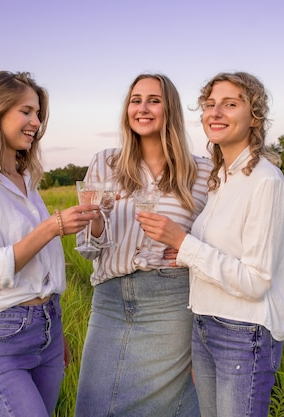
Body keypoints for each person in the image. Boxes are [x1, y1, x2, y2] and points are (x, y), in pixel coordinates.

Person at [0, 71, 101, 417]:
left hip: (48, 328)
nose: (36, 122)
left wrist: (54, 333)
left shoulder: (25, 181)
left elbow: (41, 270)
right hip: (4, 336)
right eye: (26, 111)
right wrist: (53, 227)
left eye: (38, 114)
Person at [137, 72, 284, 417]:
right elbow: (222, 253)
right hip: (206, 324)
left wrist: (184, 242)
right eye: (210, 105)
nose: (216, 113)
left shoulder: (265, 181)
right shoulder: (220, 178)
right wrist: (184, 254)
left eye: (230, 104)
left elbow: (255, 281)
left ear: (254, 117)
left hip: (243, 332)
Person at [73, 73, 212, 417]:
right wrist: (94, 219)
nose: (143, 108)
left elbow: (216, 240)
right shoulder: (105, 163)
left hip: (171, 299)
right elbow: (88, 247)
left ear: (170, 110)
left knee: (167, 404)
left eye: (154, 100)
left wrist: (184, 244)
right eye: (136, 100)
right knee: (93, 403)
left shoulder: (203, 172)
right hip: (110, 297)